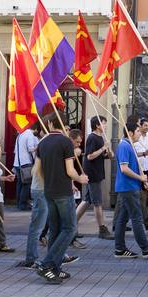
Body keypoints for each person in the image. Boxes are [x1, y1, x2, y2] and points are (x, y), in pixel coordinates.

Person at [35, 113, 88, 283]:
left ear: (50, 123)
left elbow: (37, 170)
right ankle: (47, 264)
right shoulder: (65, 142)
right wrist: (80, 179)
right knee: (70, 228)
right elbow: (70, 170)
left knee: (55, 230)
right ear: (63, 125)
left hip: (49, 190)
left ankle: (55, 268)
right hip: (63, 191)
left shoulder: (42, 143)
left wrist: (47, 183)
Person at [113, 117, 148, 259]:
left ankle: (119, 249)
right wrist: (140, 178)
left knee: (122, 219)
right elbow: (124, 169)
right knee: (136, 218)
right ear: (129, 133)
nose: (139, 133)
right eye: (137, 131)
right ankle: (146, 248)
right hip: (128, 187)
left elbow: (135, 167)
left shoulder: (129, 145)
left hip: (129, 186)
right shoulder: (124, 146)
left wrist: (144, 182)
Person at [78, 115, 114, 239]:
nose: (105, 125)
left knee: (87, 200)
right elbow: (89, 156)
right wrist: (103, 148)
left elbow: (107, 156)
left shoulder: (101, 138)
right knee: (97, 202)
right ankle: (102, 229)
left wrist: (108, 150)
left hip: (97, 172)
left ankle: (71, 225)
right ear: (97, 125)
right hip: (92, 173)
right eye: (104, 123)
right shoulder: (92, 138)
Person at [13, 123, 41, 211]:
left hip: (17, 163)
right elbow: (30, 149)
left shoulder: (20, 134)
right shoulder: (29, 135)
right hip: (25, 162)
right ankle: (23, 204)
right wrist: (39, 146)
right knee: (26, 184)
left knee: (20, 184)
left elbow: (15, 150)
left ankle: (19, 203)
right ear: (36, 129)